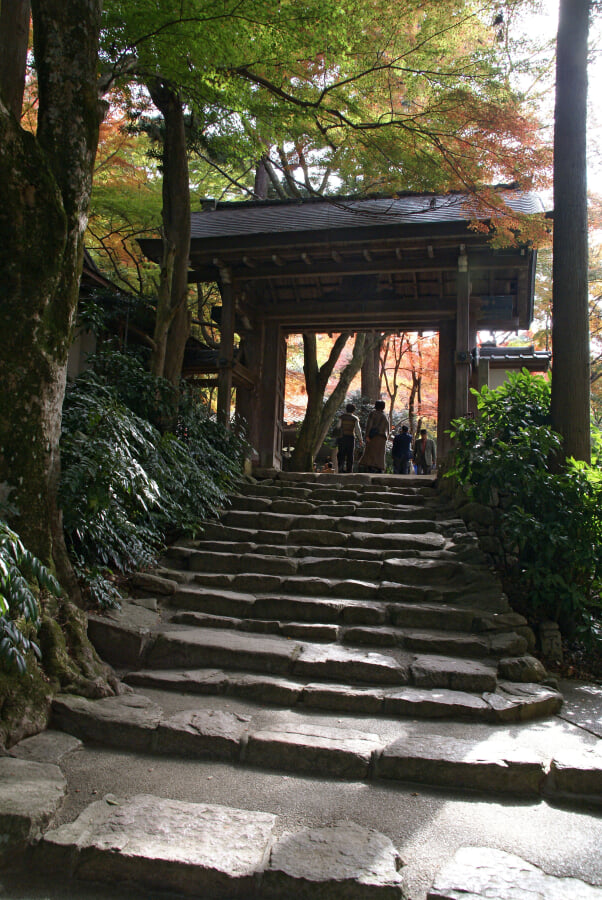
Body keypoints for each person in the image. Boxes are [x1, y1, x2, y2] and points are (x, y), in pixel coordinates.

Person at [358, 400, 389, 473]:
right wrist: (387, 437)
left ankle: (371, 467)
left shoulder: (373, 414)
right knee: (380, 454)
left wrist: (367, 435)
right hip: (382, 437)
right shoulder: (385, 415)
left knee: (371, 452)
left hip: (373, 437)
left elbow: (369, 425)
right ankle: (379, 467)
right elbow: (387, 428)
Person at [336, 403, 362, 473]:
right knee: (350, 454)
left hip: (342, 437)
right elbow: (358, 430)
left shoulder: (341, 417)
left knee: (341, 453)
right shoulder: (355, 419)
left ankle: (340, 469)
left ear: (346, 409)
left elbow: (338, 427)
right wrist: (360, 439)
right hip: (350, 438)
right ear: (353, 410)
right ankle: (349, 470)